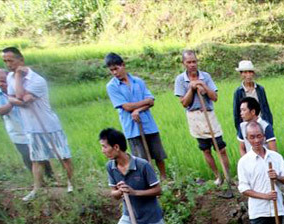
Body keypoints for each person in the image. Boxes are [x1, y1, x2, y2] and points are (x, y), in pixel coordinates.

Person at [1, 46, 74, 201]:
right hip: (31, 127)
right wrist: (17, 98)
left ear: (21, 60)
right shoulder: (9, 78)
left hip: (49, 125)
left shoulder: (37, 80)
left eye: (11, 60)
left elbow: (21, 97)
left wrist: (19, 79)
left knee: (63, 156)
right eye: (5, 61)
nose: (8, 64)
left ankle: (70, 183)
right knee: (37, 159)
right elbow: (11, 98)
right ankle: (37, 189)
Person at [105, 52, 167, 179]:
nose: (115, 72)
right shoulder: (111, 86)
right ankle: (150, 181)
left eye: (116, 68)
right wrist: (144, 103)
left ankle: (164, 179)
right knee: (141, 160)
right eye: (112, 70)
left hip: (148, 124)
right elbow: (126, 107)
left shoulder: (138, 81)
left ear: (123, 65)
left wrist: (138, 110)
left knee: (158, 155)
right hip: (132, 128)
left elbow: (151, 101)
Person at [174, 49, 230, 184]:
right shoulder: (181, 80)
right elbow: (184, 103)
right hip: (194, 117)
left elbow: (214, 97)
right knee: (205, 149)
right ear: (184, 63)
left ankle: (228, 177)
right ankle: (218, 176)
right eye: (189, 62)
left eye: (194, 61)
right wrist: (192, 89)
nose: (192, 64)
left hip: (208, 114)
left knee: (220, 148)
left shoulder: (206, 76)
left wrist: (203, 85)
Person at [237, 121, 284, 224]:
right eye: (252, 137)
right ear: (247, 139)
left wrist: (277, 177)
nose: (256, 140)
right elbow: (244, 188)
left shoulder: (275, 157)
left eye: (258, 136)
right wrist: (265, 196)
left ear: (263, 136)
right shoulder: (244, 162)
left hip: (276, 207)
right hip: (258, 209)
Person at [0, 69, 52, 178]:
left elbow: (29, 101)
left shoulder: (21, 88)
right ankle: (38, 181)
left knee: (41, 155)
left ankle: (50, 177)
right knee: (26, 156)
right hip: (16, 131)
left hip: (32, 127)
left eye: (3, 81)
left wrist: (16, 97)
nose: (0, 84)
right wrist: (12, 101)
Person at [232, 60, 273, 133]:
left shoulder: (260, 89)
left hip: (261, 123)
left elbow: (266, 109)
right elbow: (236, 114)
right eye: (245, 72)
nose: (248, 75)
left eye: (250, 72)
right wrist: (240, 131)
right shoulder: (238, 92)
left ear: (253, 73)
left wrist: (269, 126)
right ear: (241, 74)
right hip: (246, 126)